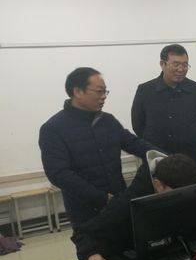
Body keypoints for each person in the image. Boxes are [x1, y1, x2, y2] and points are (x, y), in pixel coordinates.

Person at [39, 67, 157, 227]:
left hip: (119, 202)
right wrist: (102, 198)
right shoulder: (53, 128)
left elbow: (135, 144)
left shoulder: (107, 121)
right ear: (77, 91)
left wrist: (168, 159)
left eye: (105, 92)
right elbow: (59, 174)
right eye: (99, 91)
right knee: (94, 243)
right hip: (86, 212)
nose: (104, 96)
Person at [73, 153, 196, 260]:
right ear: (158, 186)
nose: (183, 202)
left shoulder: (181, 178)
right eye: (178, 195)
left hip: (176, 252)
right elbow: (83, 232)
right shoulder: (125, 204)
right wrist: (92, 254)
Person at [131, 44, 196, 174]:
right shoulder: (145, 90)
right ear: (162, 64)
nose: (181, 69)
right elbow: (138, 125)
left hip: (191, 158)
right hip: (158, 158)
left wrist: (192, 140)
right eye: (176, 64)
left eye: (185, 65)